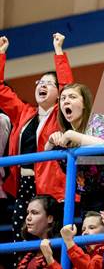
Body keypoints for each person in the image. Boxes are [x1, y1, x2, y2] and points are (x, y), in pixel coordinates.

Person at [0, 34, 73, 243]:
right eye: (40, 82)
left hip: (48, 188)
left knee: (48, 241)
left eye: (50, 83)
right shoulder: (23, 112)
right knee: (19, 239)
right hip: (23, 185)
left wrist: (58, 51)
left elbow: (68, 86)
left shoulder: (61, 114)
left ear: (59, 94)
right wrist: (1, 54)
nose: (43, 85)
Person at [45, 83, 104, 216]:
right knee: (89, 235)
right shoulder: (66, 133)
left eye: (72, 97)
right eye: (63, 98)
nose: (66, 101)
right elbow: (46, 154)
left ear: (84, 104)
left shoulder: (97, 121)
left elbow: (102, 144)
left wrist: (72, 135)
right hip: (88, 196)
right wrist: (51, 140)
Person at [40, 211, 104, 269]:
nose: (85, 233)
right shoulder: (87, 256)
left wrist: (69, 242)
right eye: (83, 230)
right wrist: (49, 258)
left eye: (92, 228)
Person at [17, 195, 62, 269]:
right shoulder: (26, 248)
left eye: (34, 213)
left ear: (49, 218)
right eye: (28, 213)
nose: (28, 217)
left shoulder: (62, 249)